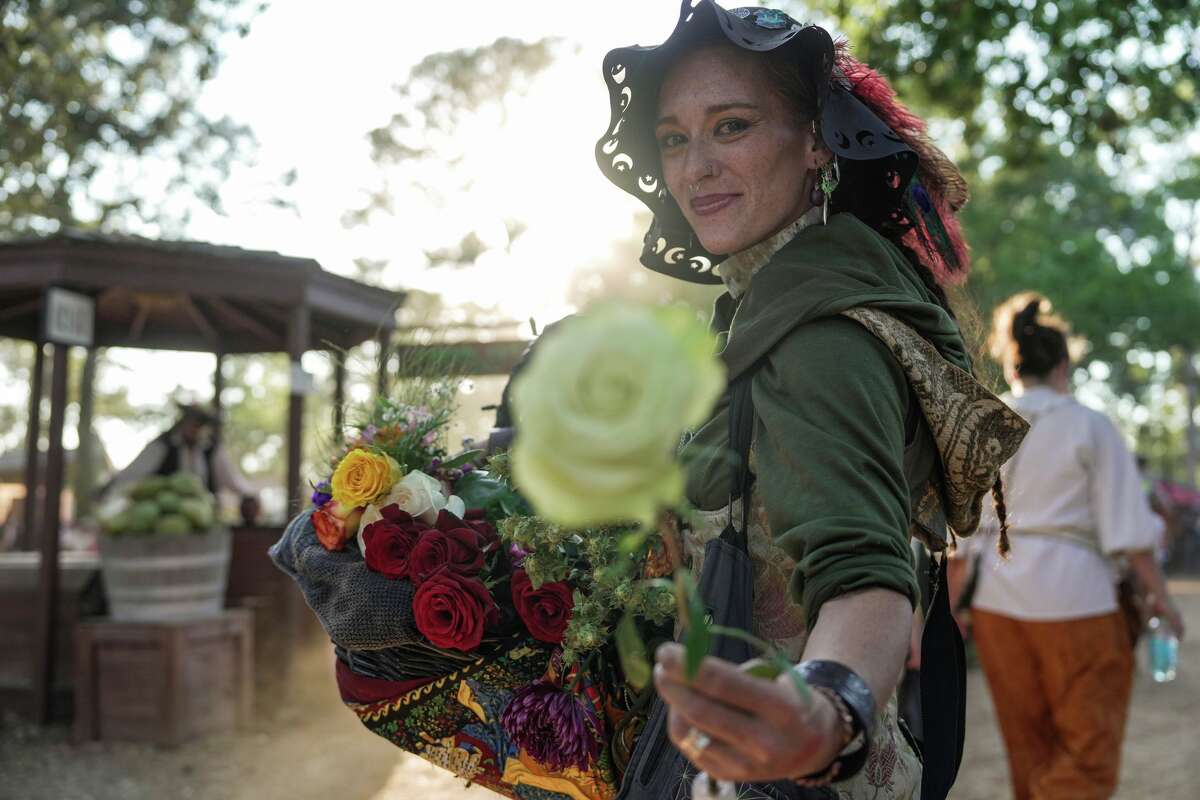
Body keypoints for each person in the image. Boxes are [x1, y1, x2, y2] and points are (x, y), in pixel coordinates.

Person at [594, 3, 1025, 796]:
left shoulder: (815, 336)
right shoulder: (786, 302)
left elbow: (863, 573)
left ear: (816, 140)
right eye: (675, 138)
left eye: (731, 126)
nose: (695, 167)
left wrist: (828, 714)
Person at [964, 292, 1185, 800]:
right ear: (1064, 366)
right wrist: (1163, 601)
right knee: (1088, 756)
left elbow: (963, 538)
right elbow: (1131, 533)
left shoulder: (986, 423)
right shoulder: (1090, 425)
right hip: (1079, 602)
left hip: (998, 607)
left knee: (1029, 753)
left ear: (1011, 362)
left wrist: (951, 609)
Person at [102, 404, 260, 522]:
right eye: (191, 423)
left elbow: (231, 479)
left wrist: (250, 495)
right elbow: (135, 471)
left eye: (199, 425)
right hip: (166, 519)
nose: (194, 429)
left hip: (205, 518)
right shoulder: (162, 445)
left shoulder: (211, 449)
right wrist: (109, 487)